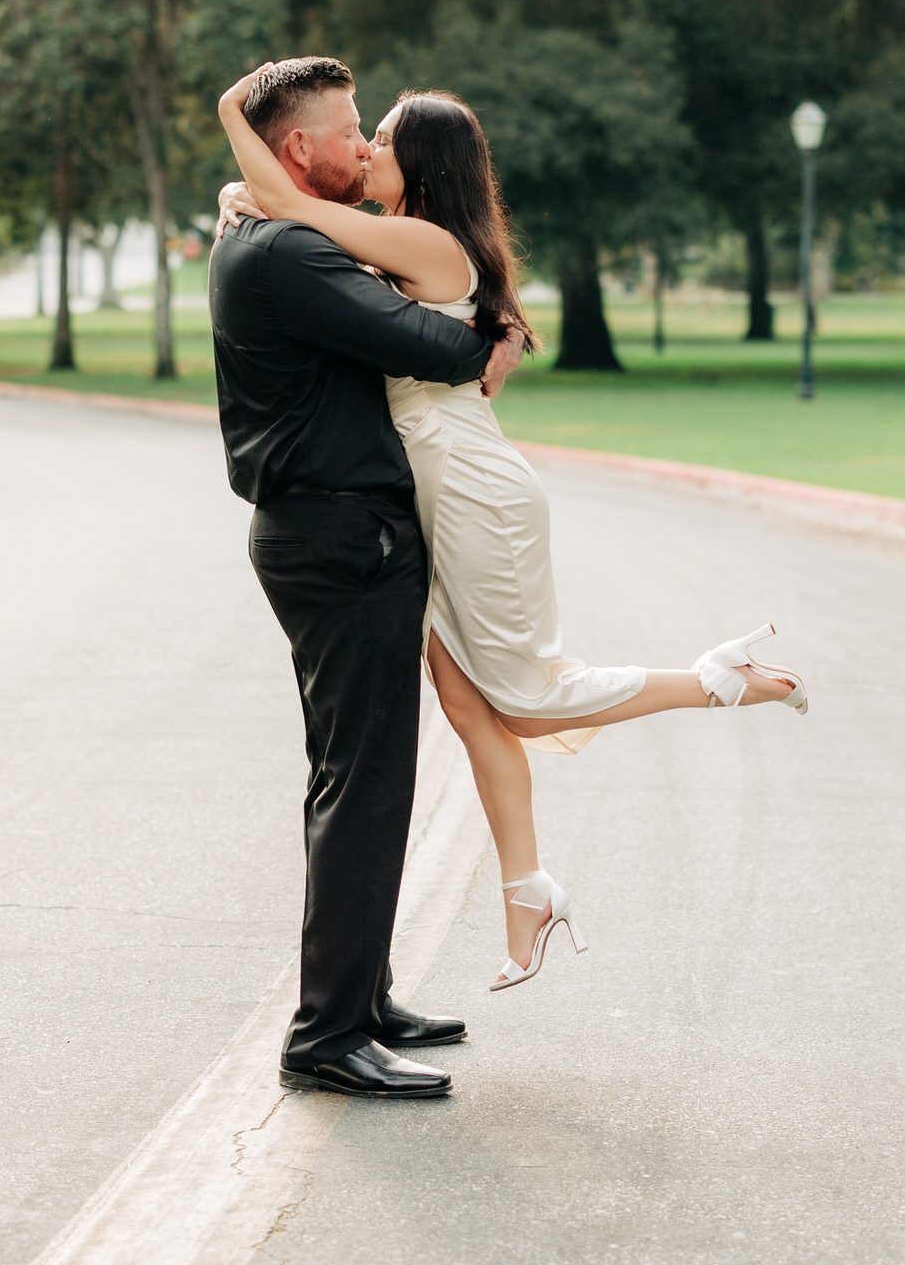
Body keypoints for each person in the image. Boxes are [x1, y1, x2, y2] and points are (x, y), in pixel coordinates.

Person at [215, 60, 807, 1000]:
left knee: (525, 697)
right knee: (467, 706)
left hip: (470, 488)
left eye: (382, 139)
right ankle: (528, 889)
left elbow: (296, 208)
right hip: (438, 488)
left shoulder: (424, 243)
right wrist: (247, 191)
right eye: (361, 131)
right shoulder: (396, 244)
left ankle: (712, 679)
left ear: (423, 170)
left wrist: (228, 123)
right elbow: (303, 227)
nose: (366, 146)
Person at [209, 57, 526, 1101]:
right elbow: (438, 348)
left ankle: (364, 993)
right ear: (296, 148)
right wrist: (488, 331)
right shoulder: (289, 252)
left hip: (334, 533)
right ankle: (328, 1032)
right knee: (367, 780)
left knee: (352, 773)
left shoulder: (275, 233)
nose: (363, 147)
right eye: (350, 131)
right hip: (342, 538)